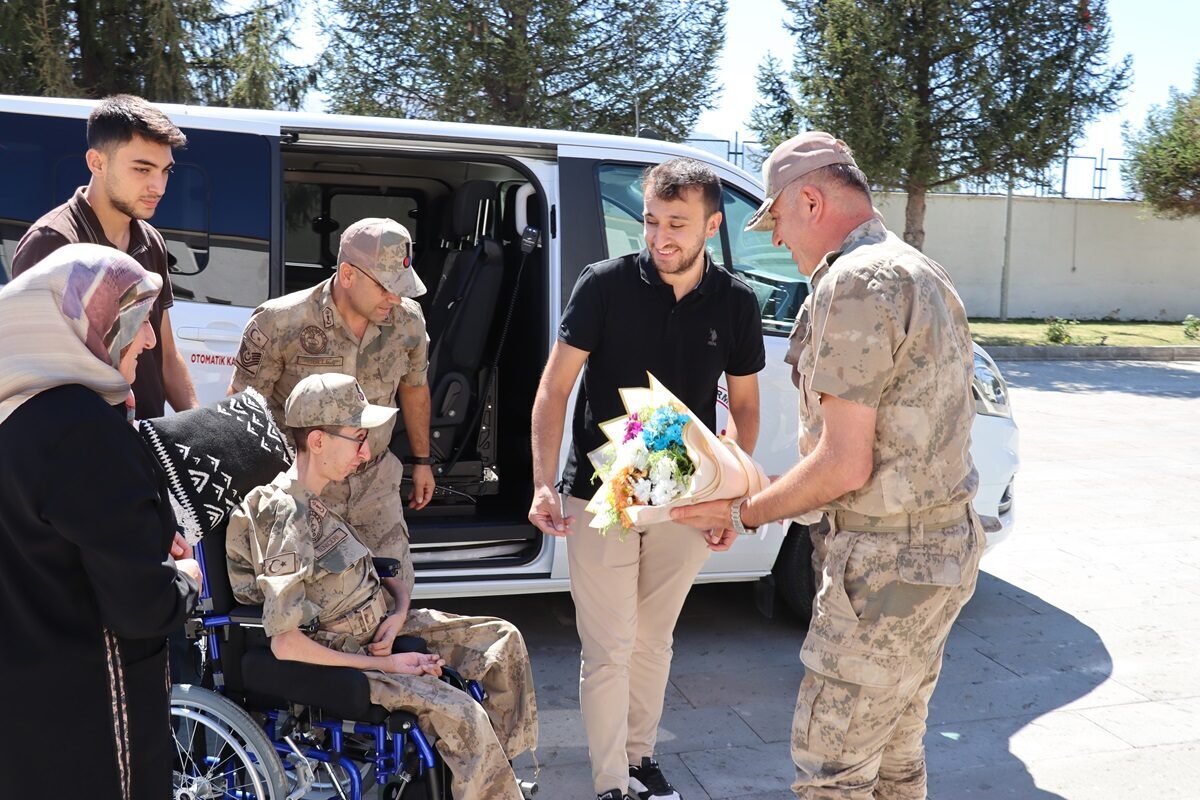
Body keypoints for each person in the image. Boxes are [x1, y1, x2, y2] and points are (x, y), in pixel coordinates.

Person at [672, 132, 983, 800]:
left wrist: (739, 510)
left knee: (832, 773)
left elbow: (843, 464)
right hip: (938, 553)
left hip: (884, 568)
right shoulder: (916, 268)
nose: (778, 241)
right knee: (895, 755)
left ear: (809, 199)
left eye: (776, 220)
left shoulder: (855, 282)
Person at [528, 158, 766, 800]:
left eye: (678, 224)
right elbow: (554, 389)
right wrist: (543, 482)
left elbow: (744, 409)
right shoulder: (603, 284)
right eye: (652, 221)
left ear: (713, 226)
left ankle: (639, 758)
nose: (661, 236)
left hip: (683, 489)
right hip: (597, 489)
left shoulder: (738, 302)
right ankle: (610, 784)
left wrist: (731, 493)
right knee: (608, 646)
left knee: (654, 639)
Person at [225, 372, 537, 800]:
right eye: (357, 437)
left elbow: (375, 573)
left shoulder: (319, 500)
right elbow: (286, 644)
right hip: (346, 654)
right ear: (317, 441)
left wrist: (399, 612)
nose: (366, 450)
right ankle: (488, 783)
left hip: (379, 629)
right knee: (463, 715)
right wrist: (386, 666)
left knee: (502, 642)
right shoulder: (287, 516)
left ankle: (494, 775)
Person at [0, 243, 202, 799]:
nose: (151, 339)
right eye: (138, 321)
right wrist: (182, 583)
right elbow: (139, 606)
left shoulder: (15, 413)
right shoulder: (84, 429)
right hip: (91, 713)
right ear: (93, 326)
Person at [229, 217, 434, 622]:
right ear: (346, 274)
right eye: (384, 286)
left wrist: (423, 461)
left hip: (375, 479)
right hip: (309, 488)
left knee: (395, 598)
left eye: (400, 287)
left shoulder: (407, 321)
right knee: (320, 613)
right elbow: (243, 409)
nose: (394, 298)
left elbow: (414, 386)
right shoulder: (280, 321)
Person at [11, 93, 198, 419]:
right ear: (97, 162)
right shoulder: (53, 242)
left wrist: (202, 430)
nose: (159, 186)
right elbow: (32, 375)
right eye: (143, 169)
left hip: (145, 445)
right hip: (82, 451)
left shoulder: (151, 241)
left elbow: (167, 355)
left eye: (166, 171)